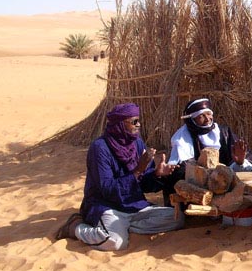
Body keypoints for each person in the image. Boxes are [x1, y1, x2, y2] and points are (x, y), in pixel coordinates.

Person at [55, 103, 184, 251]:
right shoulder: (99, 148)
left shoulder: (136, 144)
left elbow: (145, 185)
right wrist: (137, 170)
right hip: (106, 205)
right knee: (115, 243)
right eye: (134, 122)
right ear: (120, 125)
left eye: (138, 120)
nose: (139, 125)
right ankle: (75, 228)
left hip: (133, 204)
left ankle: (122, 227)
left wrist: (156, 174)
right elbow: (107, 189)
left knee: (177, 218)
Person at [152, 98, 252, 206]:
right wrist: (207, 177)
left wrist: (239, 162)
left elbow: (245, 159)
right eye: (201, 116)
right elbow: (179, 172)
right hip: (201, 190)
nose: (207, 119)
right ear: (191, 119)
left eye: (209, 114)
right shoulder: (182, 140)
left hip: (226, 184)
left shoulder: (224, 133)